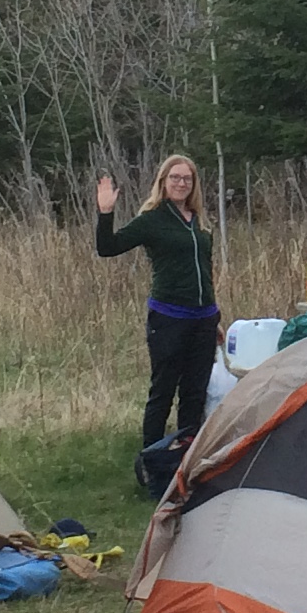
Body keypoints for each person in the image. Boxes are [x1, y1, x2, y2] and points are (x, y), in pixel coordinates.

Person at [95, 154, 214, 492]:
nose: (181, 183)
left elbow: (206, 272)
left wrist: (215, 315)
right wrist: (105, 213)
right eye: (175, 177)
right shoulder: (152, 219)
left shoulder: (198, 222)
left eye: (187, 178)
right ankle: (151, 468)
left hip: (203, 320)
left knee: (194, 395)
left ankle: (186, 468)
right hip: (169, 319)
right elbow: (108, 247)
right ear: (163, 182)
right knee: (162, 392)